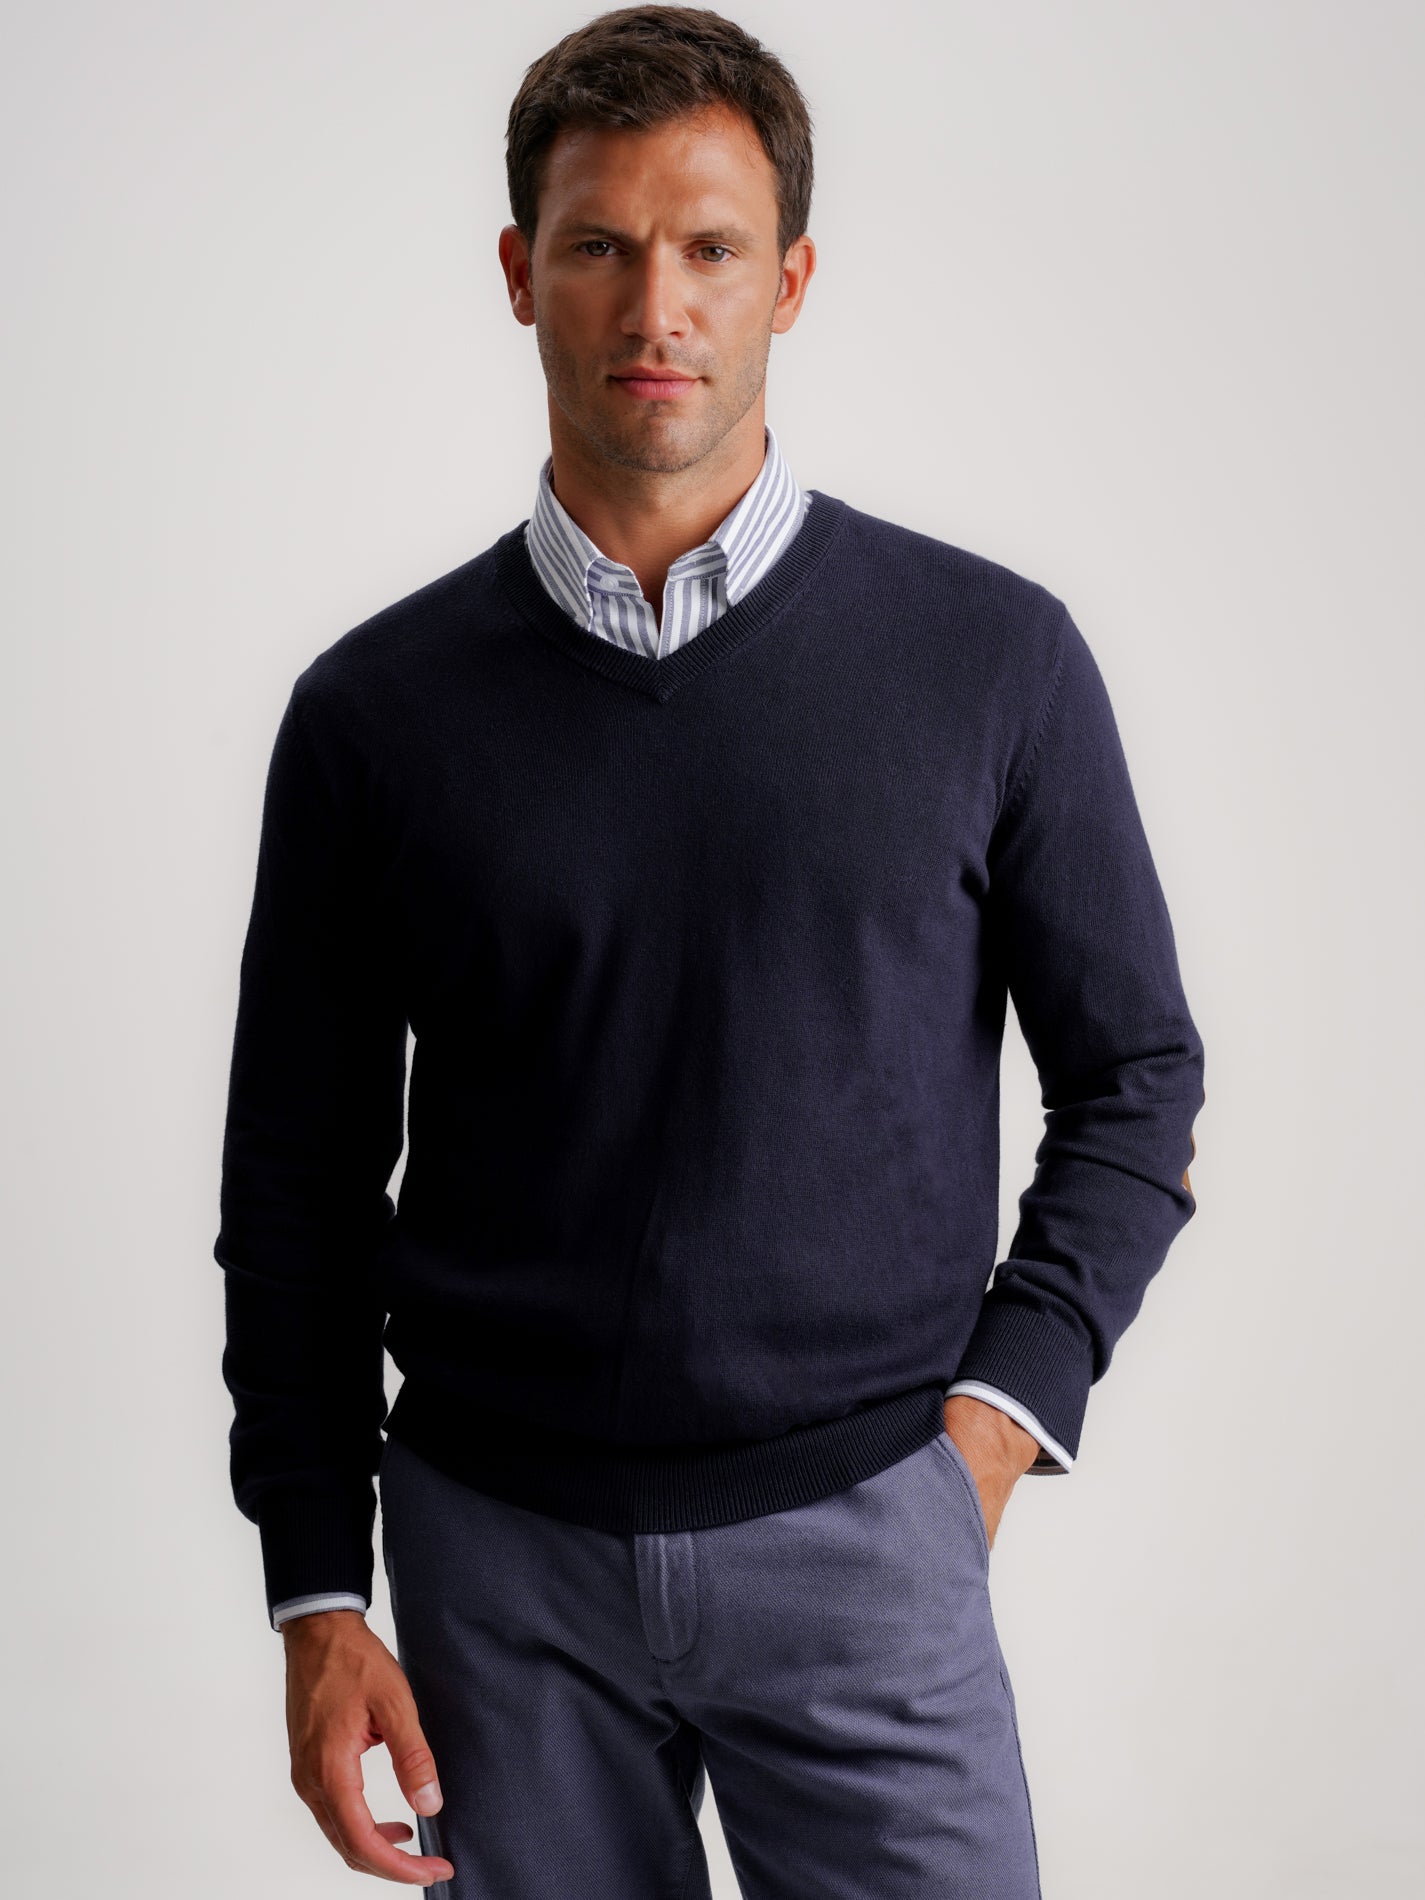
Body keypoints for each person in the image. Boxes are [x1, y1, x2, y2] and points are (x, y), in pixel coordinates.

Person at [213, 6, 1205, 1894]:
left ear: (789, 281)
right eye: (597, 244)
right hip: (497, 1572)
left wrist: (992, 1431)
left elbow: (1137, 1076)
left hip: (867, 1534)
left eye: (710, 248)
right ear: (520, 274)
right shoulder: (373, 715)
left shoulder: (989, 660)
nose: (653, 305)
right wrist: (316, 1590)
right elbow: (297, 1186)